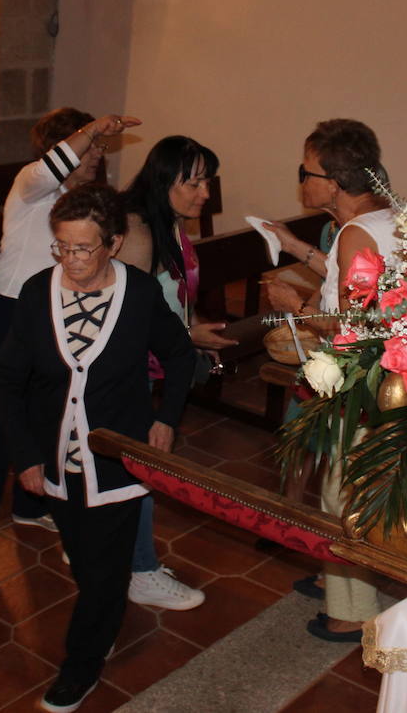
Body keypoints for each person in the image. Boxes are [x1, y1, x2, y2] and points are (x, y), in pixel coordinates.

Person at [0, 183, 195, 713]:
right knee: (86, 562)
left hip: (117, 459)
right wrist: (26, 455)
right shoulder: (37, 293)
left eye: (84, 248)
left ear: (113, 243)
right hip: (56, 460)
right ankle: (103, 616)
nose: (71, 259)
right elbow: (8, 381)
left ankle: (80, 666)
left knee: (105, 571)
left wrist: (166, 419)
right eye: (62, 246)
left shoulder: (140, 294)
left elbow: (180, 356)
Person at [0, 108, 140, 569]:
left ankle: (29, 506)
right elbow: (50, 168)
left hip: (52, 316)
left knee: (46, 418)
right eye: (90, 147)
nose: (96, 155)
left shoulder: (84, 206)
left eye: (99, 147)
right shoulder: (31, 188)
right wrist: (93, 129)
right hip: (7, 312)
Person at [264, 119, 398, 643]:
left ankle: (352, 611)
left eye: (308, 172)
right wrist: (295, 247)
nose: (302, 181)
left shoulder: (358, 233)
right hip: (391, 376)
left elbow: (353, 324)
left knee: (342, 493)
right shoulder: (385, 217)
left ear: (336, 184)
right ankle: (333, 577)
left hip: (360, 380)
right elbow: (352, 281)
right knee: (350, 484)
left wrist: (293, 305)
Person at [118, 135, 237, 611]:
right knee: (139, 466)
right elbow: (127, 321)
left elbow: (169, 299)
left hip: (153, 361)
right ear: (163, 180)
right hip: (126, 371)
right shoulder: (137, 231)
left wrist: (192, 331)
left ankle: (106, 549)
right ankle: (140, 572)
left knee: (129, 466)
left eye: (208, 181)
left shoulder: (168, 221)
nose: (205, 193)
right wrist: (186, 336)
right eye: (194, 183)